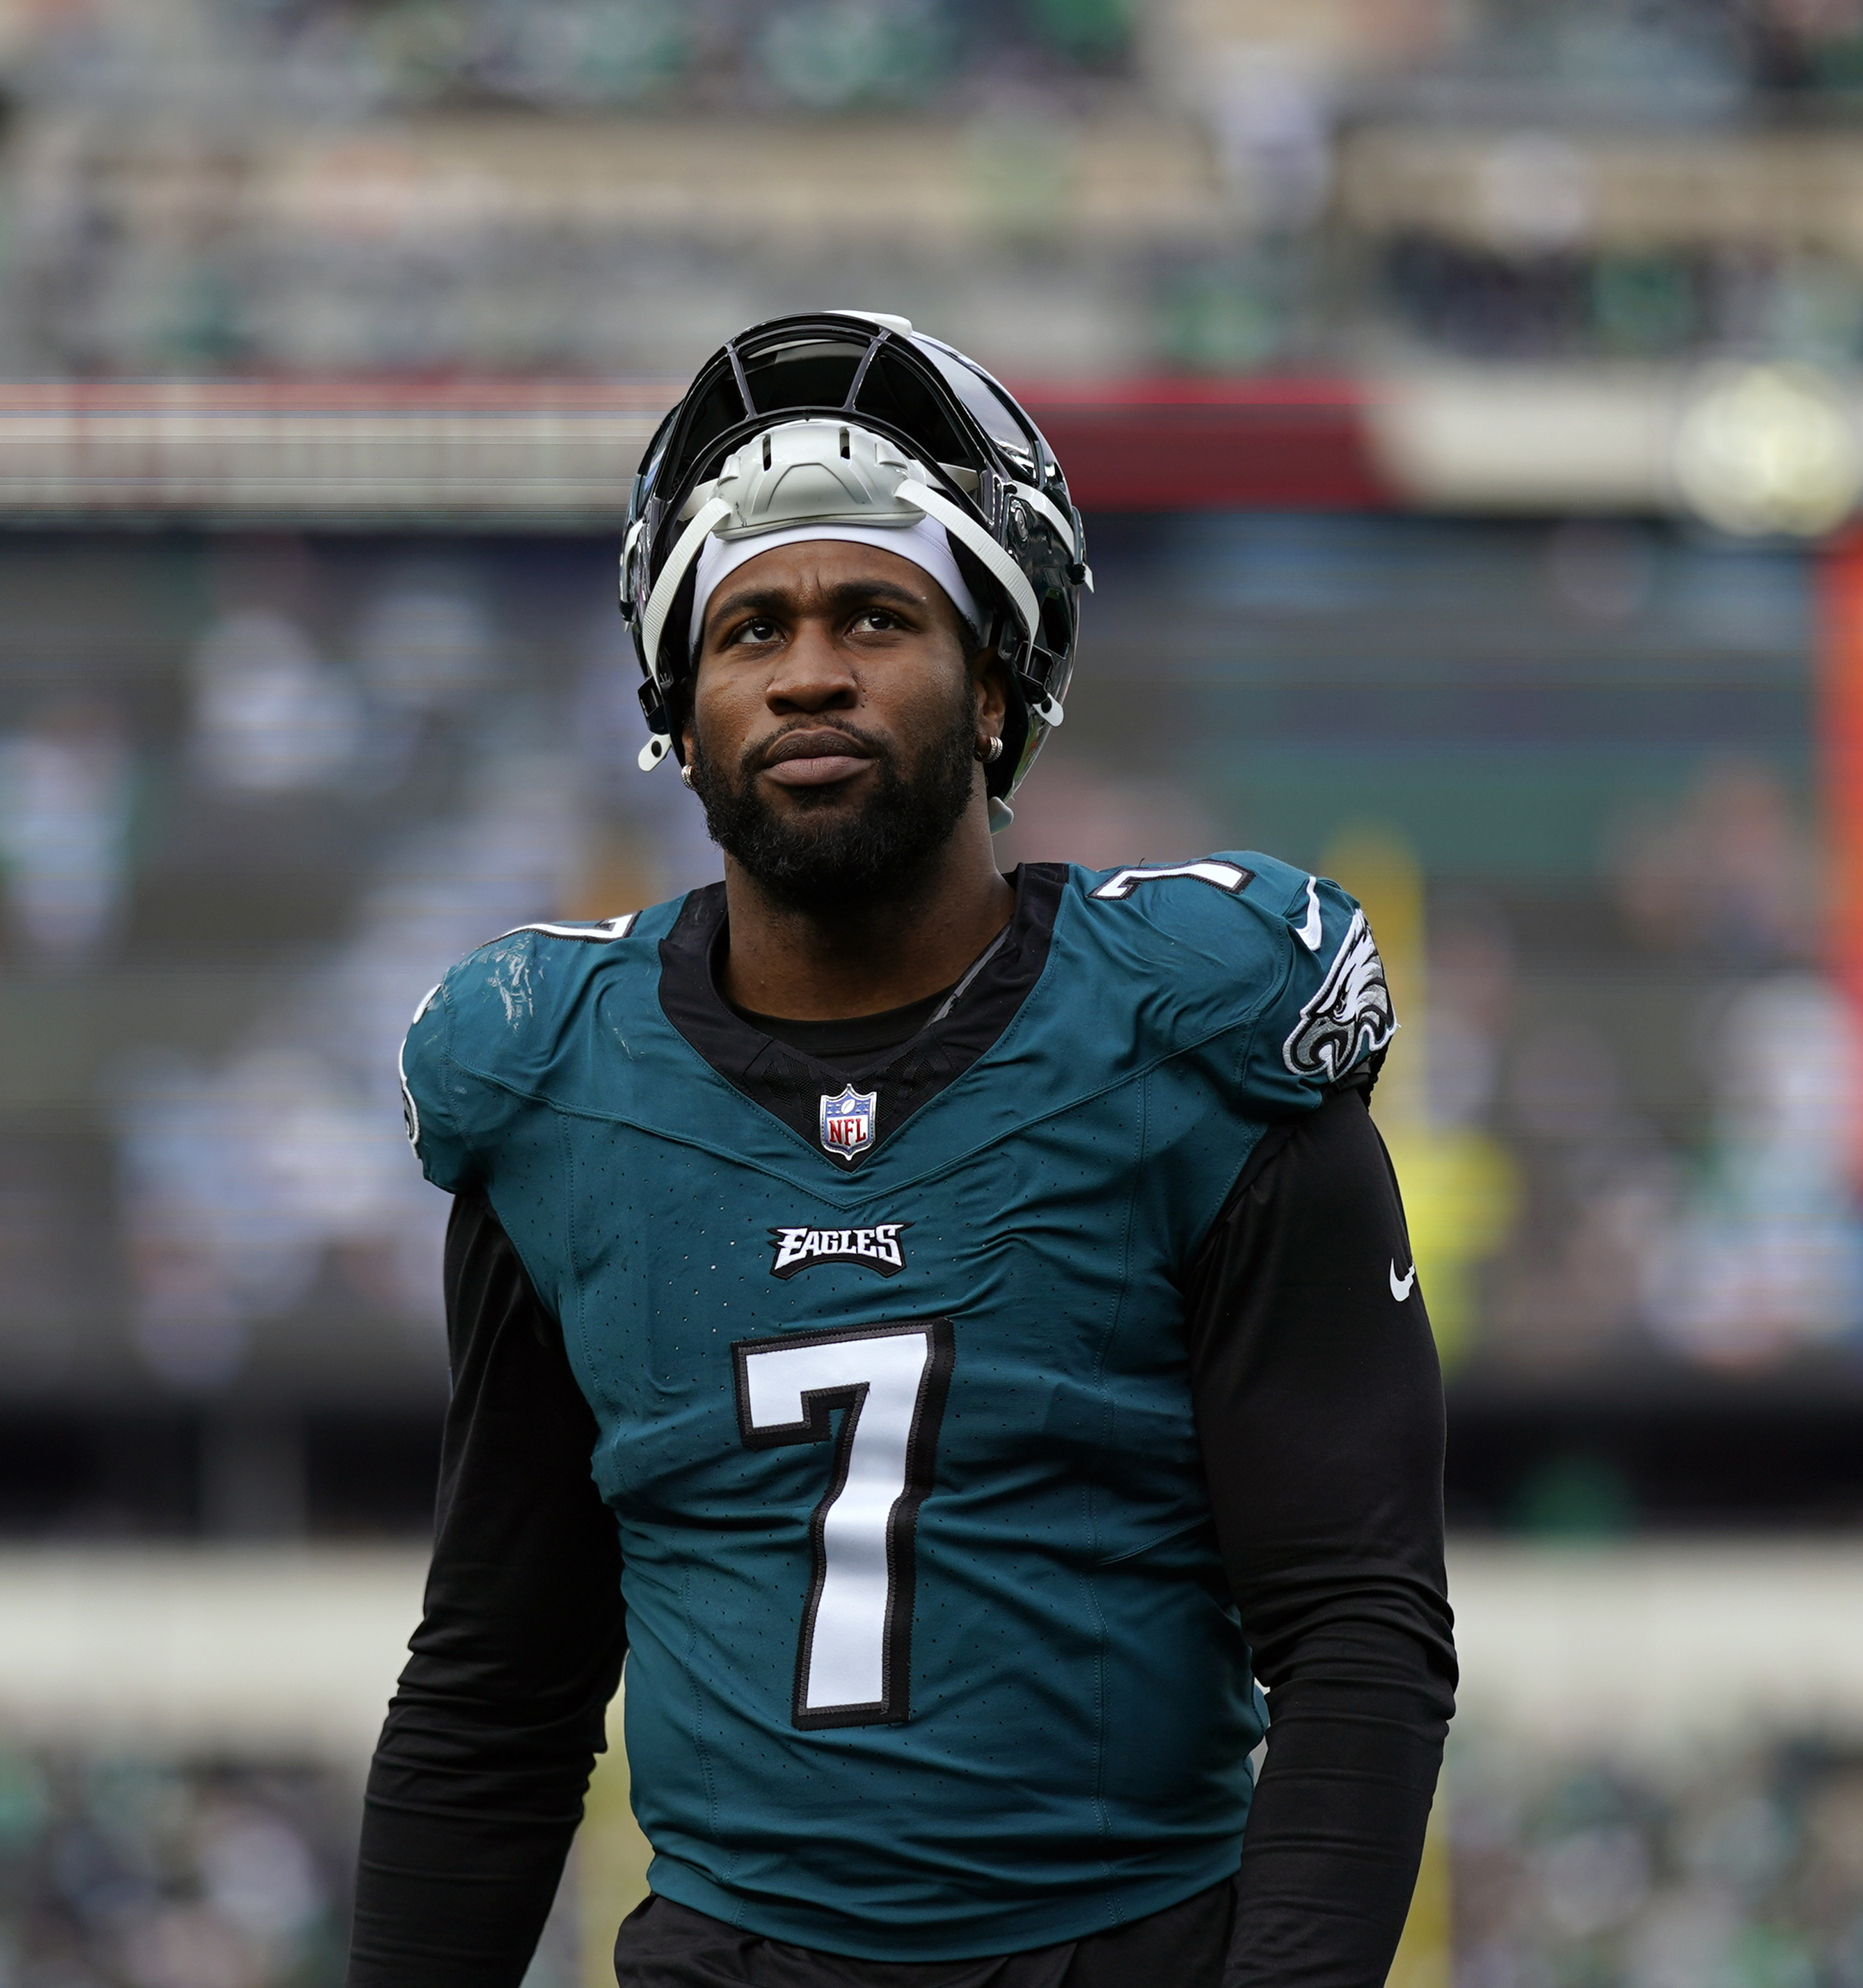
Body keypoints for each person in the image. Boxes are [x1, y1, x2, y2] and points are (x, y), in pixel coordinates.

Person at [349, 313, 1456, 1988]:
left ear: (999, 680)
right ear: (681, 700)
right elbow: (501, 1684)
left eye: (878, 614)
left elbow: (1356, 1634)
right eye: (752, 627)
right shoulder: (559, 1087)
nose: (809, 670)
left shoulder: (1194, 1042)